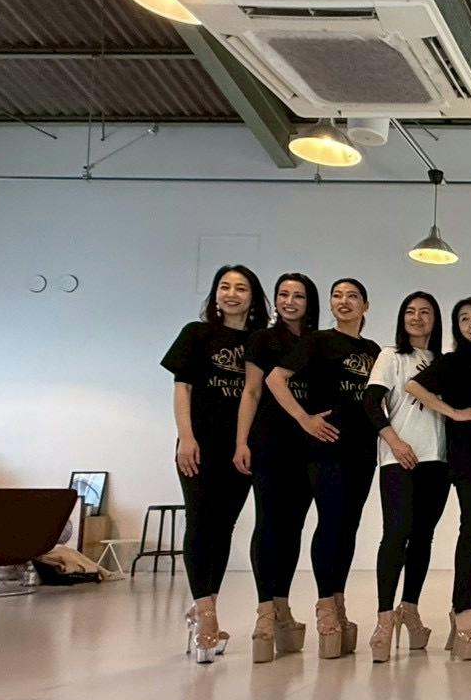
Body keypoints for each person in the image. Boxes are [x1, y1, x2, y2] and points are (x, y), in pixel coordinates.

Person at [266, 278, 380, 660]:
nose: (343, 302)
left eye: (352, 296)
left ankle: (339, 600)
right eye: (337, 296)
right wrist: (304, 418)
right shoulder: (317, 341)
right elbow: (275, 378)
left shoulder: (373, 350)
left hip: (364, 449)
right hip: (327, 445)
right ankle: (325, 606)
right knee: (330, 523)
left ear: (365, 305)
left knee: (348, 526)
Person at [161, 264, 269, 663]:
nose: (232, 294)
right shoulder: (196, 333)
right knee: (199, 522)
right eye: (225, 286)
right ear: (215, 294)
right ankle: (206, 617)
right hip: (200, 444)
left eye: (241, 288)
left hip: (241, 448)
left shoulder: (260, 341)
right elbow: (182, 389)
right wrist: (186, 438)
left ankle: (207, 605)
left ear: (253, 298)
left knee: (223, 527)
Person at [407, 298, 471, 661]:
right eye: (463, 319)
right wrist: (455, 413)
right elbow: (414, 387)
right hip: (467, 456)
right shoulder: (452, 361)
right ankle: (464, 610)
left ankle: (463, 606)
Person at [235, 271, 319, 663]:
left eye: (298, 296)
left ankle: (282, 603)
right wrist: (241, 441)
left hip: (310, 445)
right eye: (283, 294)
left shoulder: (317, 341)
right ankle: (265, 611)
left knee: (293, 527)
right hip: (270, 441)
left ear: (309, 301)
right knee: (269, 523)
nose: (289, 301)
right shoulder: (263, 339)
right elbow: (252, 390)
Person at [363, 291, 447, 663]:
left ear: (435, 319)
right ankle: (384, 619)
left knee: (423, 536)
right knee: (396, 534)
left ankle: (409, 609)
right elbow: (371, 402)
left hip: (438, 460)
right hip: (399, 458)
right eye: (410, 311)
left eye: (425, 312)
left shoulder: (442, 361)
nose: (417, 317)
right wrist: (394, 442)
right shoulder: (391, 356)